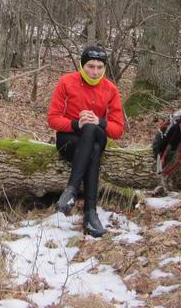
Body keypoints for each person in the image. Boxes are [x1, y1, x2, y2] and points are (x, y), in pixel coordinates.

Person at [46, 45, 124, 237]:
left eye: (99, 67)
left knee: (92, 129)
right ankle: (90, 212)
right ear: (82, 65)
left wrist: (99, 121)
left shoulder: (110, 89)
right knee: (94, 149)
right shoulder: (66, 81)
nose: (94, 71)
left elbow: (118, 130)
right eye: (90, 66)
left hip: (97, 133)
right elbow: (53, 118)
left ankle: (71, 190)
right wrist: (76, 123)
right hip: (69, 139)